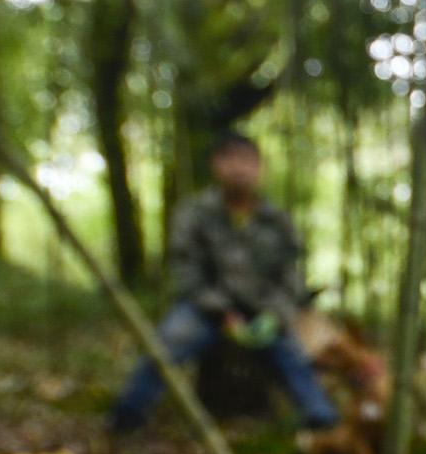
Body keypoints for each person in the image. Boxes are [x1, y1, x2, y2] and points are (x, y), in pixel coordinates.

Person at [114, 129, 337, 437]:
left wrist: (274, 315)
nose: (239, 168)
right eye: (230, 159)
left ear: (260, 168)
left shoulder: (277, 220)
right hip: (206, 309)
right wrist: (222, 313)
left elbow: (291, 276)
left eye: (247, 160)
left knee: (294, 356)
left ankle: (323, 422)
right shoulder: (195, 213)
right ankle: (127, 417)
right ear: (216, 166)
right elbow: (185, 270)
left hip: (263, 312)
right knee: (166, 346)